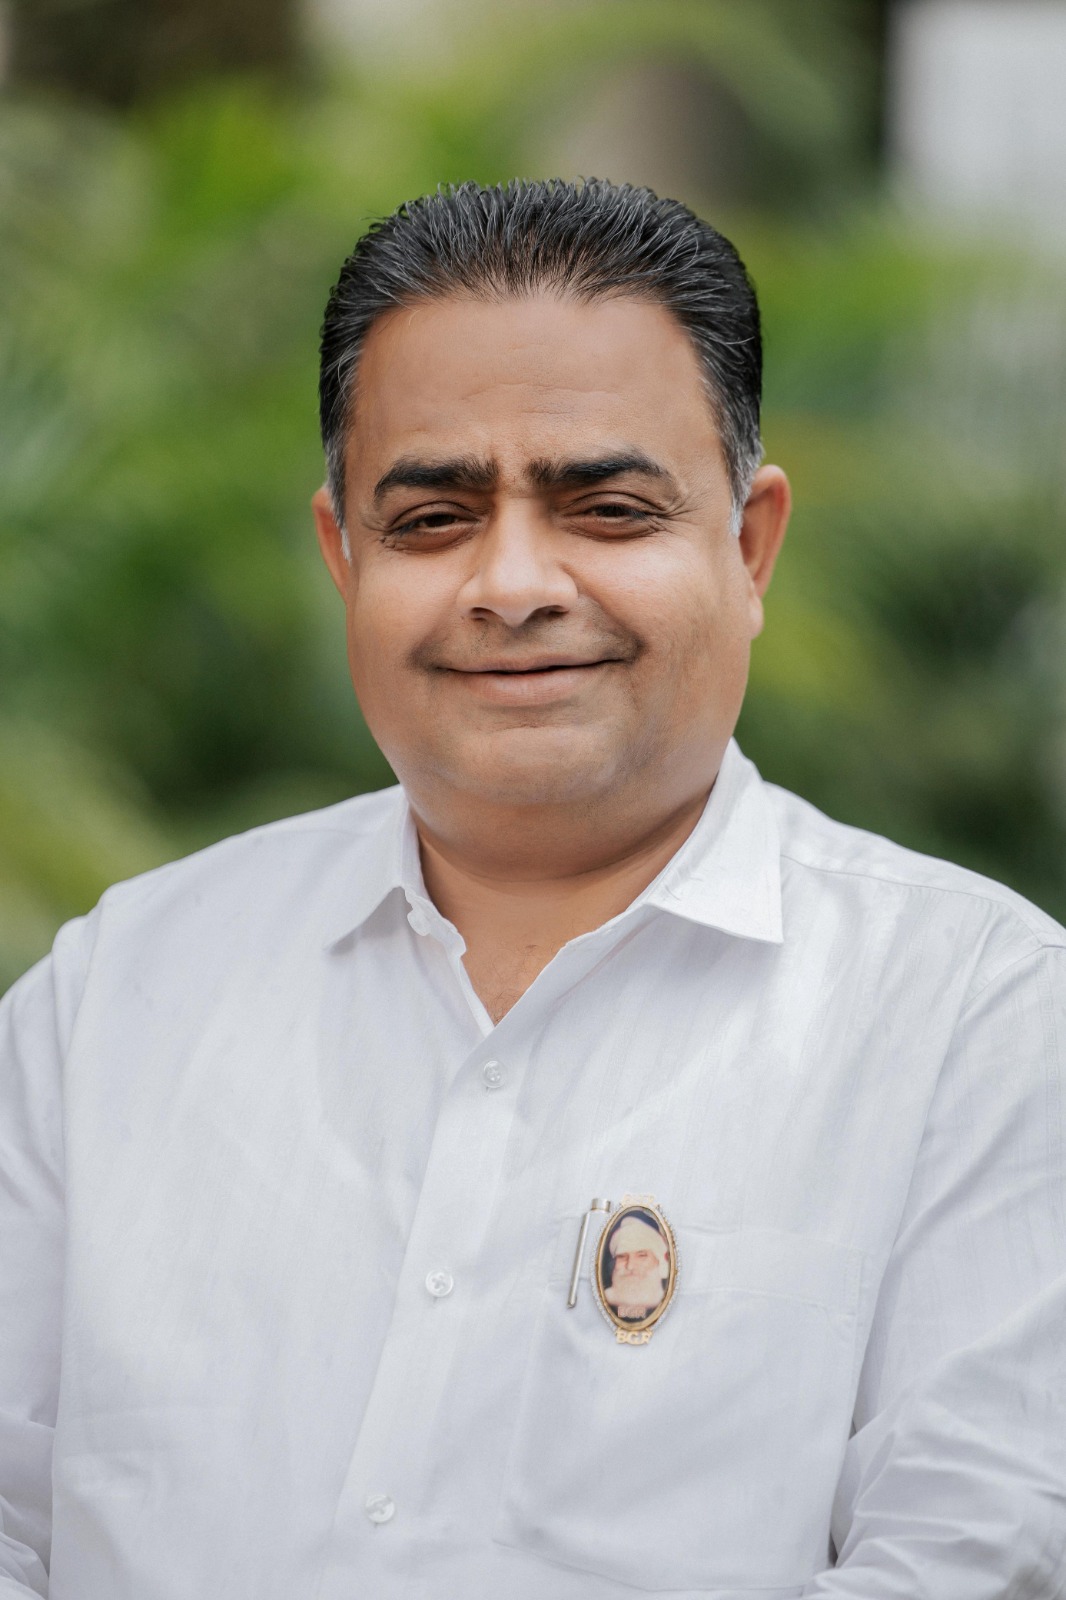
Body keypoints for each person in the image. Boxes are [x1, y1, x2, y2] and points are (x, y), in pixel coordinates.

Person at [1, 178, 1063, 1600]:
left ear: (749, 546)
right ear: (342, 556)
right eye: (433, 517)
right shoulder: (118, 993)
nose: (511, 583)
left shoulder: (979, 1020)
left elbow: (974, 1554)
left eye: (607, 509)